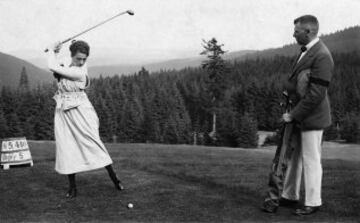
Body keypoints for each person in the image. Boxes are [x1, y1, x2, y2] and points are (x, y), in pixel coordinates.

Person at [262, 15, 334, 215]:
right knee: (294, 159)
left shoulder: (322, 55)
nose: (293, 34)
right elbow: (301, 83)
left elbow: (316, 95)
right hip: (299, 115)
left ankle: (313, 201)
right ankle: (289, 196)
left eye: (296, 31)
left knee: (311, 159)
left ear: (309, 32)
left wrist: (292, 115)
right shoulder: (307, 52)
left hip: (312, 117)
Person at [46, 40, 124, 198]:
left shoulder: (80, 72)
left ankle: (115, 179)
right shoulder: (68, 65)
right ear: (71, 56)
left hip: (81, 111)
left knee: (93, 143)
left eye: (84, 59)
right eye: (78, 58)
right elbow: (60, 64)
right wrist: (55, 52)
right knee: (67, 147)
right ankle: (72, 188)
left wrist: (49, 51)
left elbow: (52, 66)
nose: (81, 62)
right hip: (64, 111)